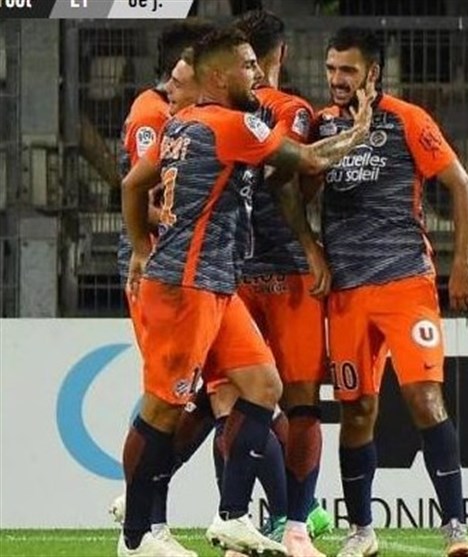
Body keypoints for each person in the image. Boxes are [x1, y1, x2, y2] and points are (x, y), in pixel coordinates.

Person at [119, 27, 374, 557]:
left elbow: (133, 184)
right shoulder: (232, 125)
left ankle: (232, 517)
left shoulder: (182, 123)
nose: (256, 74)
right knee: (164, 408)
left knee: (263, 385)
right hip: (186, 286)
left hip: (216, 284)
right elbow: (309, 160)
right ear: (219, 77)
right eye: (247, 66)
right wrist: (359, 130)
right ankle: (137, 537)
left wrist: (141, 247)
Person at [315, 27, 468, 557]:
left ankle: (455, 527)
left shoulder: (408, 120)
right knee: (356, 410)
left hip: (406, 283)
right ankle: (361, 531)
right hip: (346, 292)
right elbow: (293, 189)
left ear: (373, 72)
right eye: (331, 69)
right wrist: (311, 251)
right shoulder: (321, 126)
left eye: (347, 70)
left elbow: (463, 186)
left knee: (424, 398)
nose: (337, 79)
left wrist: (462, 263)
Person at [110, 20, 217, 557]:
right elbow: (143, 194)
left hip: (197, 272)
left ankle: (143, 509)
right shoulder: (152, 115)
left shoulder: (198, 117)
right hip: (160, 269)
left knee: (211, 394)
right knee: (169, 397)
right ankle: (145, 524)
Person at [234, 10, 333, 556]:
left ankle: (241, 523)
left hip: (235, 272)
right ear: (283, 53)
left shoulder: (219, 110)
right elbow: (288, 174)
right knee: (299, 404)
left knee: (236, 405)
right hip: (285, 271)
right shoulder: (293, 110)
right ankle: (295, 525)